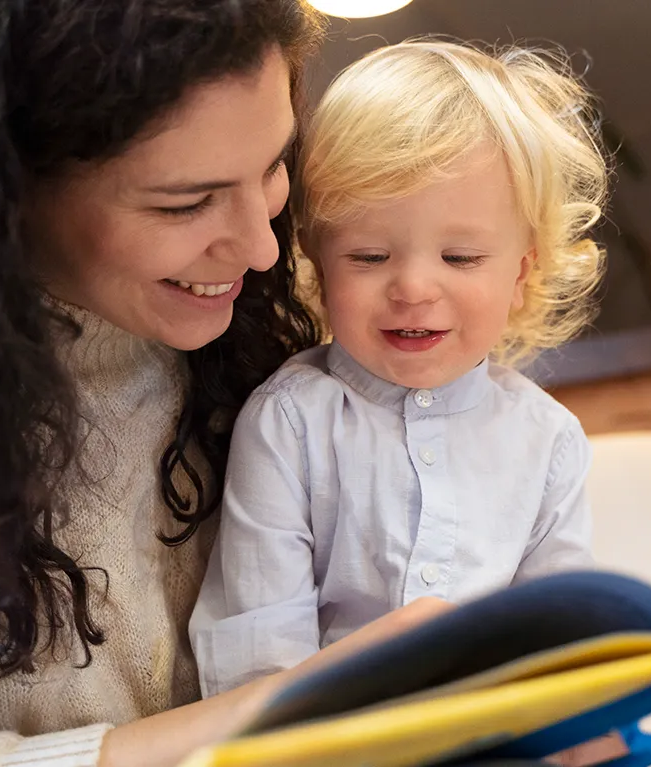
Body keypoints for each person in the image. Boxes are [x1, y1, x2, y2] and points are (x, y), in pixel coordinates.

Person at [0, 3, 449, 766]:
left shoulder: (296, 330)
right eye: (185, 203)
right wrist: (284, 710)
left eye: (275, 166)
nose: (259, 246)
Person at [190, 39, 611, 696]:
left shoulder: (547, 442)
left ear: (522, 273)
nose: (414, 287)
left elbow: (556, 636)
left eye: (461, 257)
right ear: (317, 264)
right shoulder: (290, 423)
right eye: (369, 256)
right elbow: (258, 653)